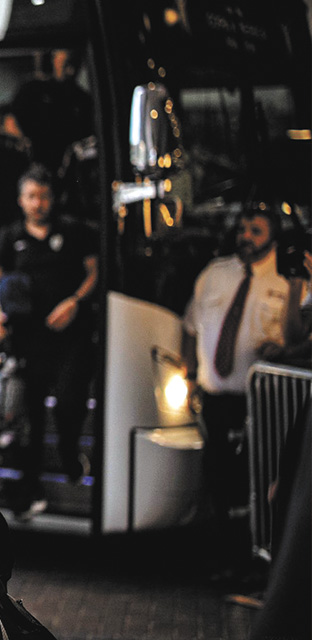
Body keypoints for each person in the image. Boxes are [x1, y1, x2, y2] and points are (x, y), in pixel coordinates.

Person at [182, 207, 302, 585]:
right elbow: (190, 326)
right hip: (216, 398)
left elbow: (297, 338)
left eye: (256, 230)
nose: (246, 236)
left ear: (273, 236)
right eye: (243, 229)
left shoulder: (288, 280)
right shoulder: (215, 274)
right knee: (219, 478)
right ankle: (224, 558)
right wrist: (188, 375)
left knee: (255, 482)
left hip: (263, 402)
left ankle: (256, 561)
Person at [0, 164, 98, 517]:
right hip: (27, 343)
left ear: (53, 199)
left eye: (43, 196)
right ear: (21, 200)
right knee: (27, 420)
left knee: (69, 404)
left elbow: (94, 271)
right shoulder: (10, 236)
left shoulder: (74, 232)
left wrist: (75, 301)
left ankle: (69, 455)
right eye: (31, 196)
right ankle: (29, 491)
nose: (38, 203)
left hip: (70, 341)